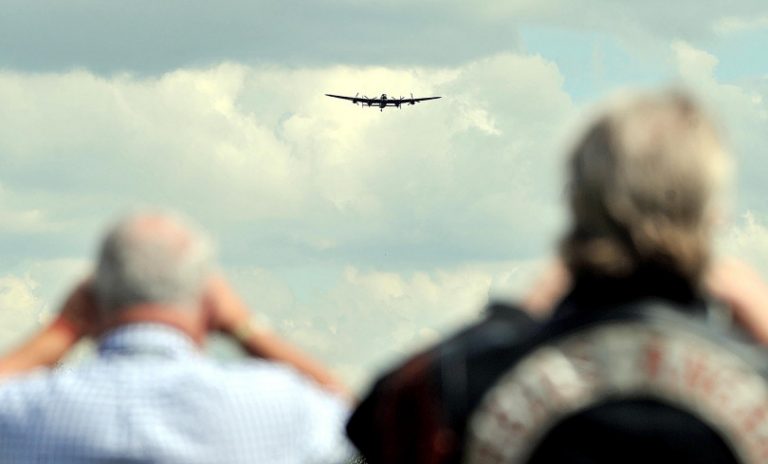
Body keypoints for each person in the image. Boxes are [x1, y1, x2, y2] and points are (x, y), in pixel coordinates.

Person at [347, 91, 768, 463]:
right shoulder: (752, 373)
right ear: (714, 214)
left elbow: (375, 422)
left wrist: (516, 314)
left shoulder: (473, 382)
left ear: (575, 201)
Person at [0, 212, 353, 463]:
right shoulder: (269, 404)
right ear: (212, 302)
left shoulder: (25, 410)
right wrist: (245, 325)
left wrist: (62, 328)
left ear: (91, 297)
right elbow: (359, 420)